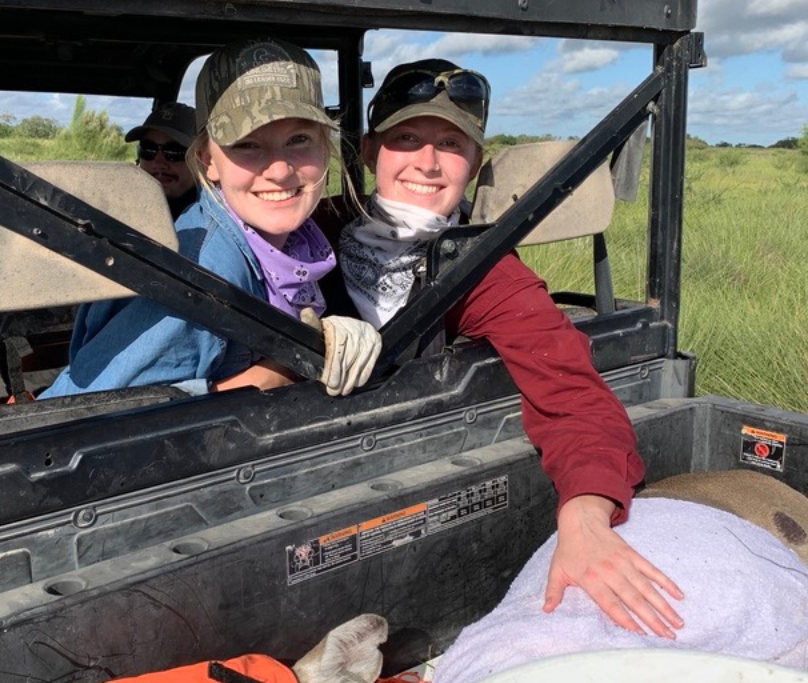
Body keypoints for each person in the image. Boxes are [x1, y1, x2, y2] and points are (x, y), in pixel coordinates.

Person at [336, 59, 685, 639]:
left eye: (451, 145)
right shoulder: (309, 233)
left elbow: (574, 394)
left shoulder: (483, 272)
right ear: (372, 151)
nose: (427, 162)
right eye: (407, 139)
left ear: (475, 164)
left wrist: (586, 512)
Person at [41, 38, 380, 399]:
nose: (280, 171)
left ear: (326, 146)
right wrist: (286, 369)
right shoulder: (205, 270)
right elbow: (81, 412)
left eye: (298, 139)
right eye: (247, 144)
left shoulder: (293, 243)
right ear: (207, 160)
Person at [125, 102, 199, 219]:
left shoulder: (211, 226)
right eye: (149, 149)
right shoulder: (121, 206)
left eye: (174, 151)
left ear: (201, 160)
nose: (158, 163)